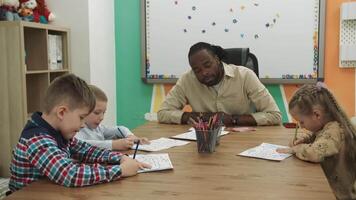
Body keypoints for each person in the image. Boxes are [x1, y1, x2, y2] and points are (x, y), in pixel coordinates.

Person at [9, 74, 150, 192]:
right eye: (81, 117)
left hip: (52, 191)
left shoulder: (57, 132)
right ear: (62, 112)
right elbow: (70, 174)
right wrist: (121, 170)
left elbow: (86, 150)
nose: (83, 125)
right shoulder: (37, 139)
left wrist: (120, 158)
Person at [158, 42, 281, 126]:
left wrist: (233, 119)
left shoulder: (245, 76)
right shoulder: (187, 80)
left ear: (217, 60)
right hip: (205, 141)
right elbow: (163, 113)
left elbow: (275, 115)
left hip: (243, 141)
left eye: (207, 65)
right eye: (197, 70)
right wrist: (200, 117)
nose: (204, 72)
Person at [276, 83, 356, 200]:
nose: (300, 126)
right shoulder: (327, 125)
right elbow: (319, 137)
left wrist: (296, 149)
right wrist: (305, 139)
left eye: (302, 122)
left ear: (317, 114)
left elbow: (314, 153)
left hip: (338, 194)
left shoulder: (334, 131)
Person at [75, 85, 149, 150]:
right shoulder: (77, 130)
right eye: (96, 113)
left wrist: (131, 136)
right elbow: (80, 144)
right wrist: (114, 145)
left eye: (104, 113)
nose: (102, 117)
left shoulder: (98, 128)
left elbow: (121, 129)